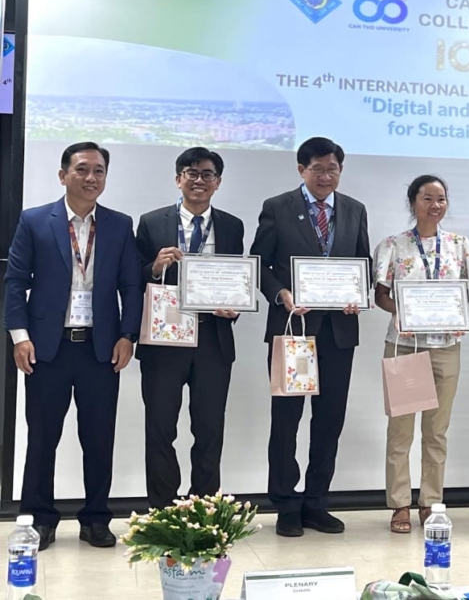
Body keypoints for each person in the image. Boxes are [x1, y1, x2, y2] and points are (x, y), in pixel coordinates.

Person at [4, 142, 142, 550]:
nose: (91, 177)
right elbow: (15, 282)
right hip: (48, 348)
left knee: (98, 438)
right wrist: (20, 337)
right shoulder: (34, 220)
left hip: (100, 349)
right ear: (63, 174)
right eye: (82, 169)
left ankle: (96, 519)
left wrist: (128, 335)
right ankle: (39, 519)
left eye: (99, 170)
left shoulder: (119, 225)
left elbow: (131, 285)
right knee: (42, 438)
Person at [251, 136, 371, 537]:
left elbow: (363, 263)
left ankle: (317, 502)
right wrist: (281, 293)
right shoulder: (277, 207)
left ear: (341, 170)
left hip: (338, 332)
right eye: (317, 169)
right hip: (293, 330)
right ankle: (285, 505)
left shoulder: (354, 209)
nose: (325, 176)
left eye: (332, 169)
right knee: (286, 421)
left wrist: (358, 294)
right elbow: (260, 265)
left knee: (329, 421)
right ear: (301, 169)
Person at [135, 147, 245, 509]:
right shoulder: (151, 222)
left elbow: (236, 279)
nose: (199, 181)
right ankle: (163, 509)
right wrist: (154, 267)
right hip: (165, 338)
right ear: (178, 179)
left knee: (209, 430)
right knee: (160, 428)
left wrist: (234, 307)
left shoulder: (232, 226)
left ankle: (204, 509)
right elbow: (132, 278)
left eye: (207, 174)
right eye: (191, 173)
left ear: (218, 182)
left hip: (213, 339)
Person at [373, 175, 469, 534]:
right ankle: (399, 504)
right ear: (412, 201)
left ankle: (430, 501)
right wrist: (403, 309)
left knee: (437, 430)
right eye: (427, 198)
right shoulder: (393, 245)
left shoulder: (459, 245)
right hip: (405, 344)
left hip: (446, 345)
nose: (435, 205)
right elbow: (380, 295)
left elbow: (465, 291)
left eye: (441, 199)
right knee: (400, 430)